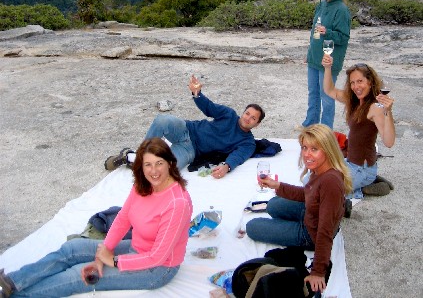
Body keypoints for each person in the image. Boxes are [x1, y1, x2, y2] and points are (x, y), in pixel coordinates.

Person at [0, 138, 193, 297]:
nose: (154, 171)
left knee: (78, 275)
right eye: (148, 165)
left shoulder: (177, 203)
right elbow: (123, 218)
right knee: (71, 249)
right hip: (137, 248)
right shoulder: (143, 185)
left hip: (157, 270)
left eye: (159, 163)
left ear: (170, 162)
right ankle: (11, 282)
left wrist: (114, 261)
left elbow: (157, 257)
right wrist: (104, 252)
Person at [246, 124, 352, 294]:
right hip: (311, 212)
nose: (307, 154)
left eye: (314, 149)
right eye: (304, 148)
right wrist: (277, 185)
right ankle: (338, 207)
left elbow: (324, 231)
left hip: (311, 233)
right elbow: (308, 193)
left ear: (328, 150)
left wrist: (318, 271)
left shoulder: (330, 182)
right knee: (273, 204)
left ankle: (335, 208)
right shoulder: (322, 168)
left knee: (252, 227)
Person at [105, 75, 265, 179]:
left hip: (191, 151)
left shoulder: (248, 143)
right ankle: (139, 155)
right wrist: (197, 93)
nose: (248, 118)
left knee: (165, 171)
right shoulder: (229, 114)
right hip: (186, 129)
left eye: (253, 118)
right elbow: (209, 108)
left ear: (256, 124)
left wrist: (226, 167)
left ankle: (128, 157)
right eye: (247, 113)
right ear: (243, 112)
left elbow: (237, 157)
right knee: (163, 120)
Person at [322, 56, 396, 197]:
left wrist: (388, 111)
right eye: (352, 83)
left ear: (370, 82)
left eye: (360, 81)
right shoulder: (354, 100)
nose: (356, 86)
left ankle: (367, 183)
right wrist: (327, 68)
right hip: (350, 163)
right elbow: (329, 90)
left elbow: (389, 142)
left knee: (328, 190)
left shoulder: (375, 107)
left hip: (362, 169)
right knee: (313, 178)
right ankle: (368, 181)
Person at [302, 0, 351, 129]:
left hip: (328, 61)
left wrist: (327, 32)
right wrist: (310, 53)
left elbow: (343, 37)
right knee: (313, 94)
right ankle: (311, 126)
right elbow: (315, 34)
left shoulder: (341, 9)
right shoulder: (322, 4)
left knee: (327, 96)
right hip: (314, 58)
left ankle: (326, 130)